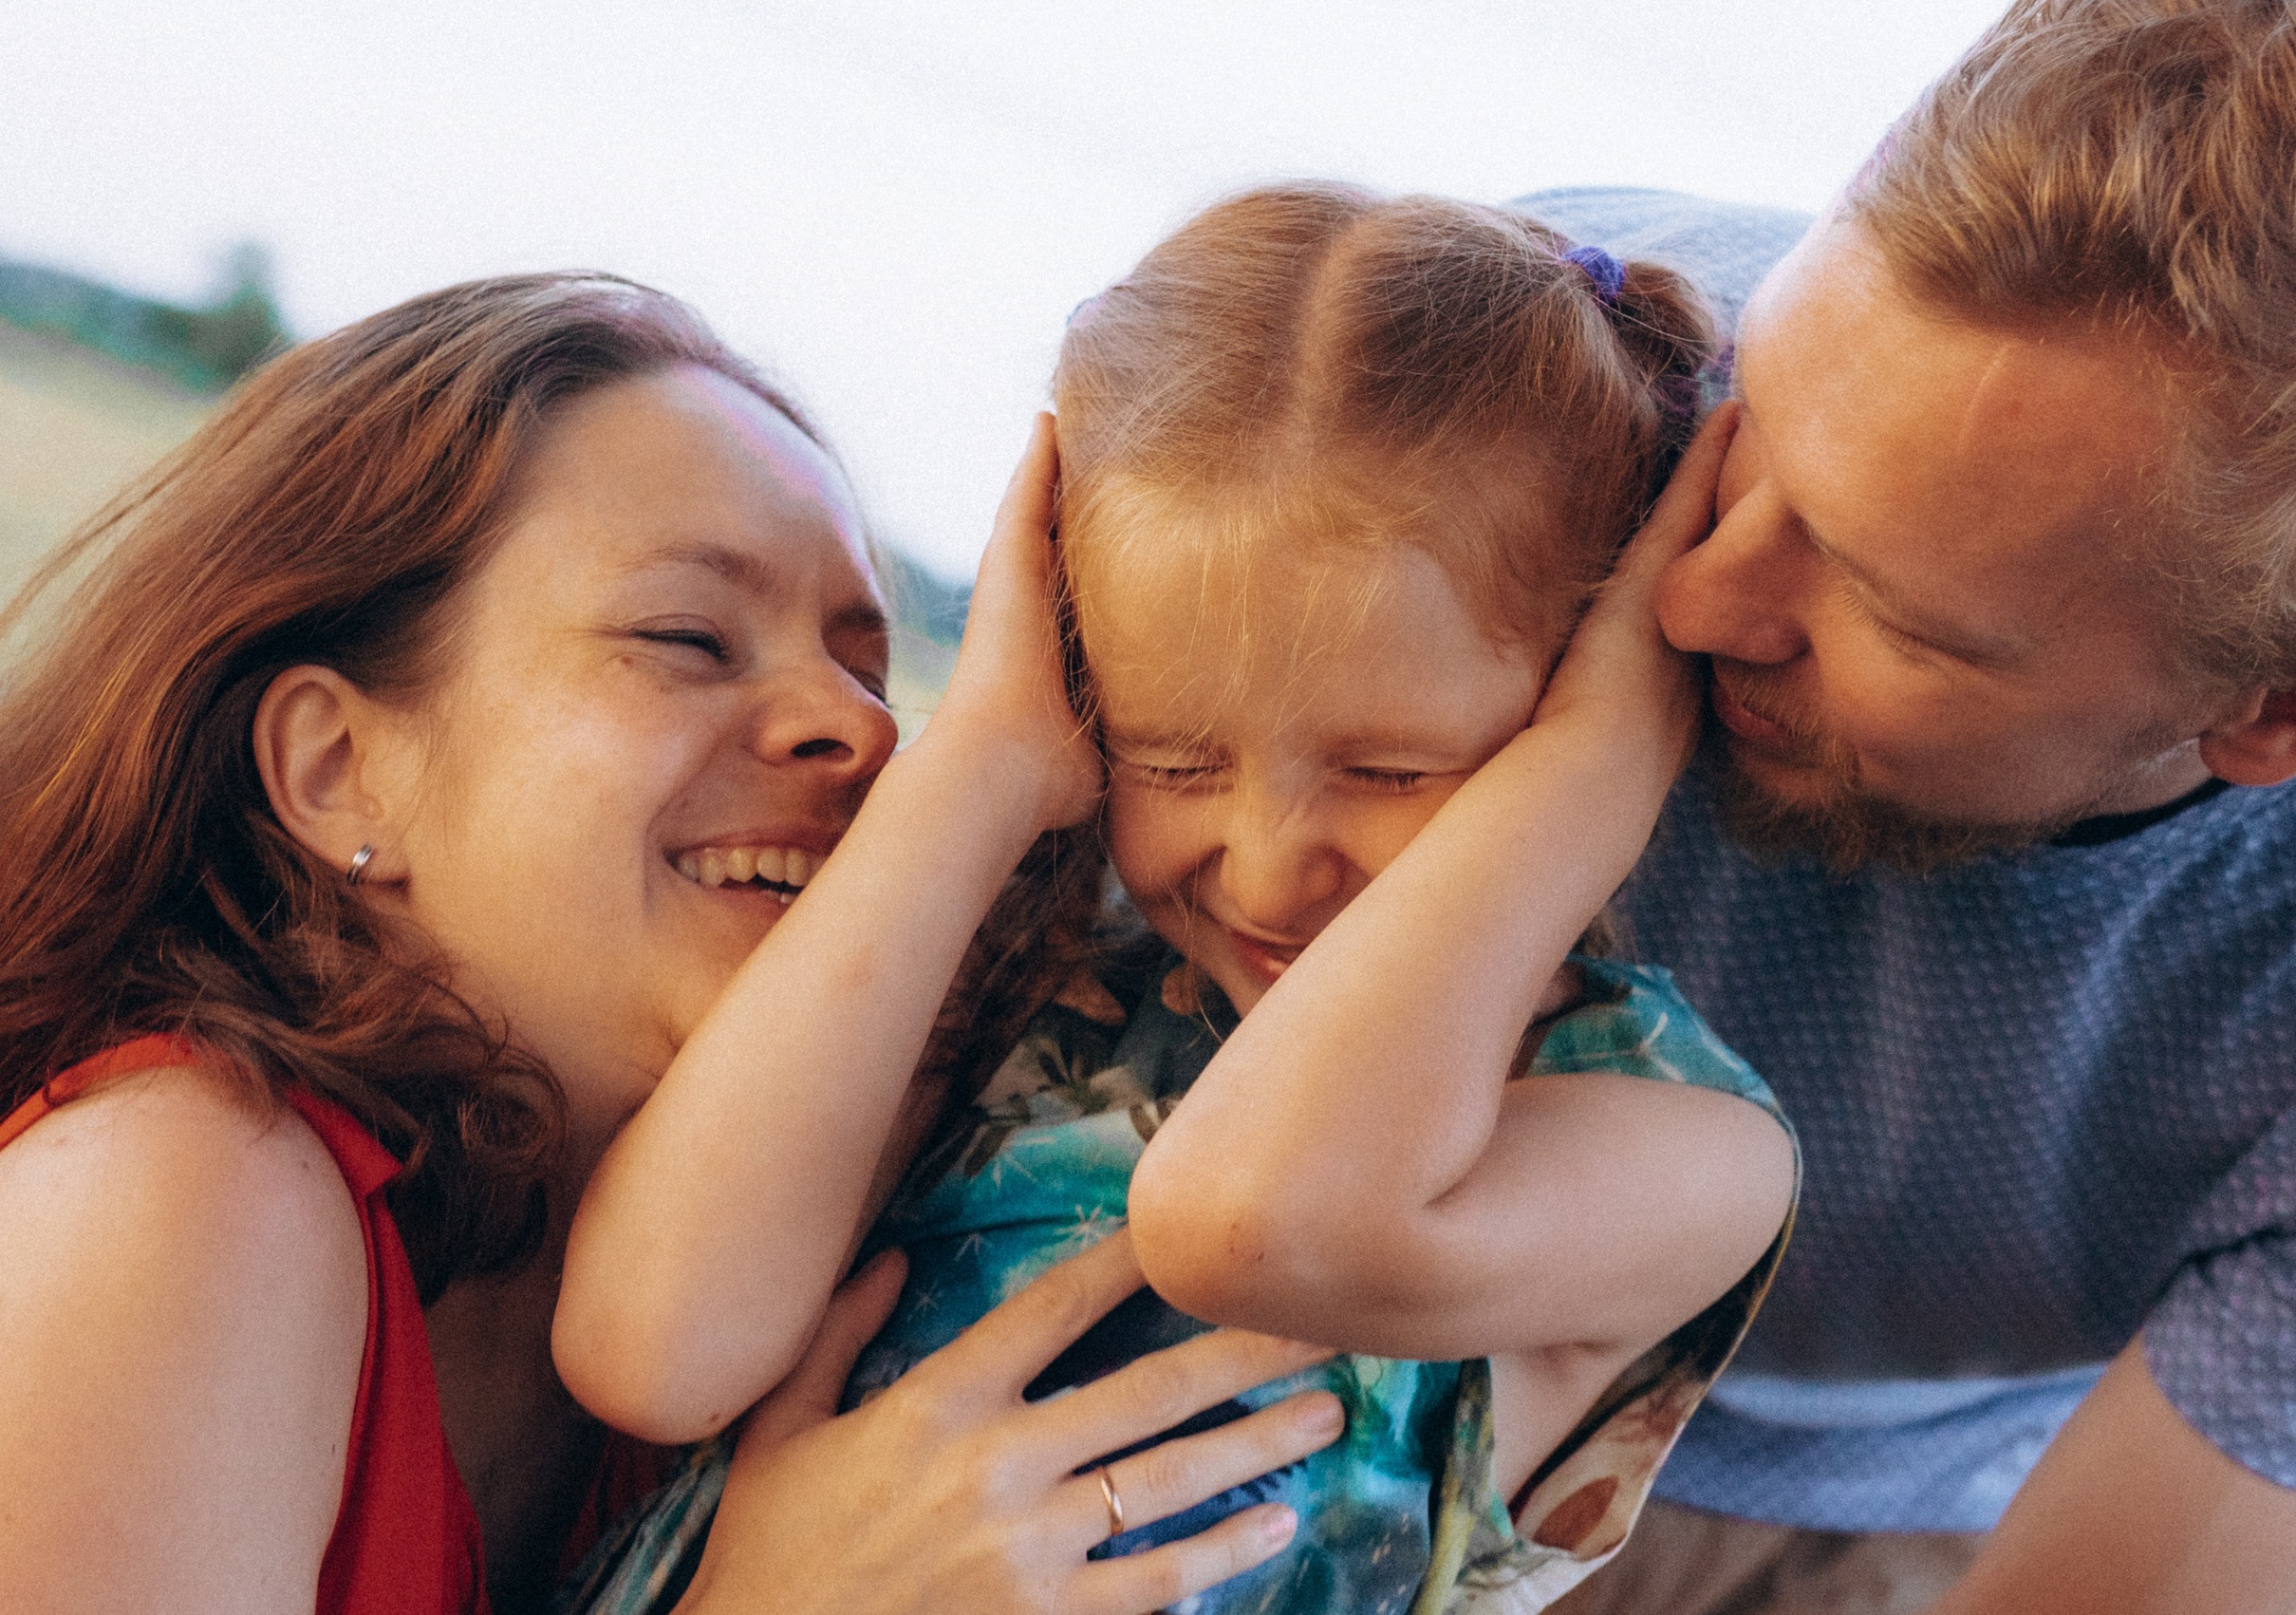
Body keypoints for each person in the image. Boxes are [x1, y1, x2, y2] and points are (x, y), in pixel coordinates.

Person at [0, 272, 1353, 1614]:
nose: (863, 733)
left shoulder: (777, 1281)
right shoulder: (178, 1189)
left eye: (868, 672)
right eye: (689, 637)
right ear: (342, 768)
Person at [554, 186, 1800, 1614]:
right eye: (1174, 756)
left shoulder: (1680, 1143)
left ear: (1602, 690)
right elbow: (654, 1350)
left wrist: (1597, 768)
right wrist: (983, 760)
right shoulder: (1038, 1000)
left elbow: (1257, 1219)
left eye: (1393, 770)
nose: (1265, 869)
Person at [1519, 0, 2296, 1612]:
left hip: (1850, 1509)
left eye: (1904, 616)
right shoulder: (1531, 360)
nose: (1693, 603)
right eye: (1758, 424)